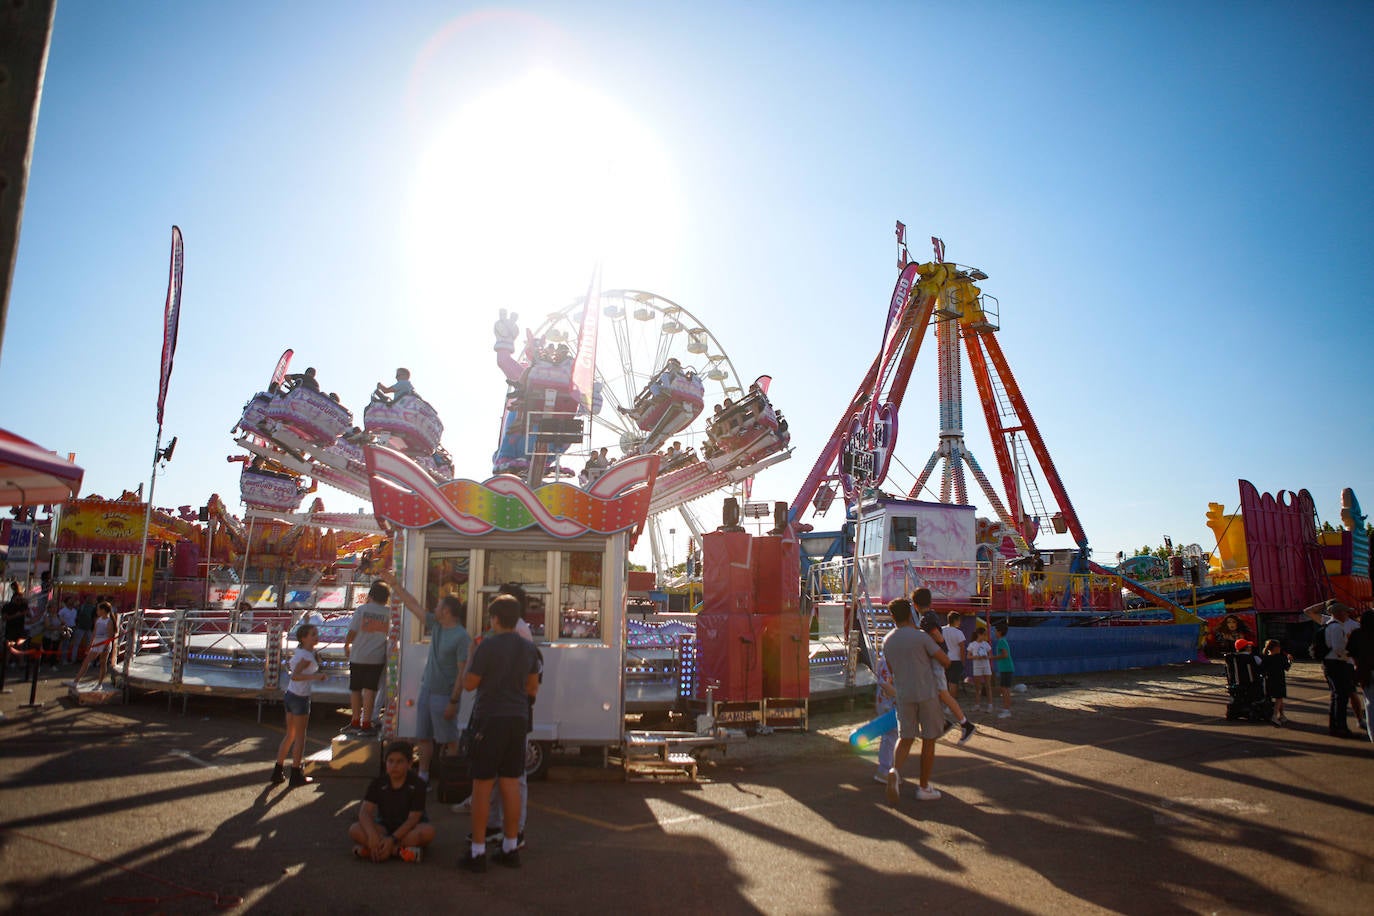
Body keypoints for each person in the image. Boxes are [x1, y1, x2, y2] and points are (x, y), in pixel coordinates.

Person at [460, 594, 540, 872]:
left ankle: (478, 851)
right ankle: (510, 846)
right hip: (518, 719)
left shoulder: (487, 646)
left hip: (489, 718)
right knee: (511, 783)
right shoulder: (529, 648)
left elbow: (470, 684)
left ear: (494, 619)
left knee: (482, 785)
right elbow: (532, 689)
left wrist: (469, 660)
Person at [379, 569, 471, 787]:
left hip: (444, 695)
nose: (434, 608)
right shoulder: (437, 625)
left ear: (447, 611)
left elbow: (462, 672)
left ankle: (452, 778)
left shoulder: (461, 636)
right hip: (427, 690)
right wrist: (395, 585)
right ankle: (424, 776)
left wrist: (454, 701)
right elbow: (413, 605)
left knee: (450, 739)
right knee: (424, 737)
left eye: (439, 606)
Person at [880, 593, 949, 806]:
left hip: (903, 693)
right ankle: (923, 786)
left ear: (892, 617)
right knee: (929, 739)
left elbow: (891, 669)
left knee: (905, 737)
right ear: (911, 613)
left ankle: (894, 771)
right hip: (926, 692)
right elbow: (945, 660)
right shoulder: (921, 637)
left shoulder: (887, 640)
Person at [350, 740, 435, 863]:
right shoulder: (378, 783)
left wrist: (392, 840)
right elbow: (365, 812)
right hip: (384, 827)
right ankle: (399, 852)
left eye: (400, 761)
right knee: (354, 829)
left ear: (410, 764)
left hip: (408, 830)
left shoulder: (418, 784)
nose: (394, 766)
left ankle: (376, 850)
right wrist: (372, 834)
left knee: (428, 832)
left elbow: (413, 819)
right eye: (390, 761)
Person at [273, 623, 327, 787]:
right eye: (312, 634)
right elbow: (295, 676)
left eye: (316, 633)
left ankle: (278, 770)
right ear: (303, 638)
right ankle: (296, 773)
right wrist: (316, 677)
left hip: (291, 695)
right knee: (300, 737)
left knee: (290, 734)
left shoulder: (304, 652)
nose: (316, 636)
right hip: (300, 697)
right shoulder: (305, 656)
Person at [918, 611, 976, 743]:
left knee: (944, 693)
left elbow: (939, 639)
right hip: (947, 659)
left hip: (940, 660)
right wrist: (962, 662)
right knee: (944, 691)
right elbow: (961, 647)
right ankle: (947, 721)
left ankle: (962, 723)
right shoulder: (955, 631)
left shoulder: (933, 623)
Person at [1304, 599, 1358, 738]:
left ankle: (1335, 726)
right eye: (1345, 612)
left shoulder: (1328, 625)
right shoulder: (1337, 627)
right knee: (1341, 697)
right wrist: (1349, 658)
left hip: (1330, 663)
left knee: (1336, 696)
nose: (1347, 614)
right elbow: (1339, 648)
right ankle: (1340, 726)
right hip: (1337, 664)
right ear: (1339, 613)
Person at [344, 581, 392, 735]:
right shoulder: (389, 613)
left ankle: (355, 721)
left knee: (355, 689)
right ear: (386, 598)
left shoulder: (362, 610)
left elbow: (352, 631)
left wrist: (346, 645)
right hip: (377, 657)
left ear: (370, 595)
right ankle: (367, 723)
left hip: (358, 655)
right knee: (370, 690)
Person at [72, 601, 115, 687]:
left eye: (98, 609)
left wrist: (105, 647)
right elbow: (94, 633)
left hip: (104, 643)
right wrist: (90, 644)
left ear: (103, 610)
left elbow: (110, 636)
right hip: (96, 643)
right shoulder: (98, 620)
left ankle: (100, 683)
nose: (97, 611)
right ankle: (76, 680)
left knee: (103, 663)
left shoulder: (109, 621)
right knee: (86, 661)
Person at [871, 648, 898, 784]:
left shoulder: (884, 659)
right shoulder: (892, 661)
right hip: (889, 702)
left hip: (884, 701)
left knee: (890, 736)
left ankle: (887, 769)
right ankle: (885, 770)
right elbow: (887, 684)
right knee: (890, 735)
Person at [1258, 638, 1292, 726]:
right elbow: (1287, 668)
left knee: (1277, 698)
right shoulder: (1280, 658)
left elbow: (1261, 669)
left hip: (1268, 680)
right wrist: (1290, 660)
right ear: (1276, 648)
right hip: (1279, 679)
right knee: (1279, 698)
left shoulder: (1265, 658)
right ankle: (1274, 715)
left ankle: (1282, 715)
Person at [967, 623, 993, 712]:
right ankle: (977, 705)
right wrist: (976, 657)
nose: (985, 636)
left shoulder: (986, 644)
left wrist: (987, 657)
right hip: (977, 667)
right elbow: (968, 656)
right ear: (979, 634)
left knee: (988, 686)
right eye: (984, 634)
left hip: (986, 666)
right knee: (978, 687)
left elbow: (990, 655)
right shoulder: (972, 644)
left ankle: (990, 705)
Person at [941, 611, 967, 697]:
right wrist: (963, 661)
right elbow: (962, 648)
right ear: (955, 620)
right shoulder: (958, 632)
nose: (960, 622)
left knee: (944, 682)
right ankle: (951, 704)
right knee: (953, 682)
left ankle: (944, 704)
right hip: (956, 660)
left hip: (943, 659)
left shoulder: (941, 630)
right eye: (959, 620)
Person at [993, 621, 1015, 718]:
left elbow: (1004, 654)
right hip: (1006, 668)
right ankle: (1006, 708)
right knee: (1004, 689)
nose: (995, 633)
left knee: (1005, 689)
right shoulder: (1002, 640)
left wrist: (992, 657)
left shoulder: (1001, 641)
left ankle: (1007, 710)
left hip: (1006, 668)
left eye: (996, 631)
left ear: (1000, 632)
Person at [58, 596, 79, 664]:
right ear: (66, 602)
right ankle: (63, 659)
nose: (72, 602)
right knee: (65, 644)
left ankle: (68, 658)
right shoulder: (62, 611)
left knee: (71, 644)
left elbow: (75, 619)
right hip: (66, 628)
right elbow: (59, 619)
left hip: (73, 627)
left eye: (72, 600)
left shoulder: (74, 611)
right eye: (70, 600)